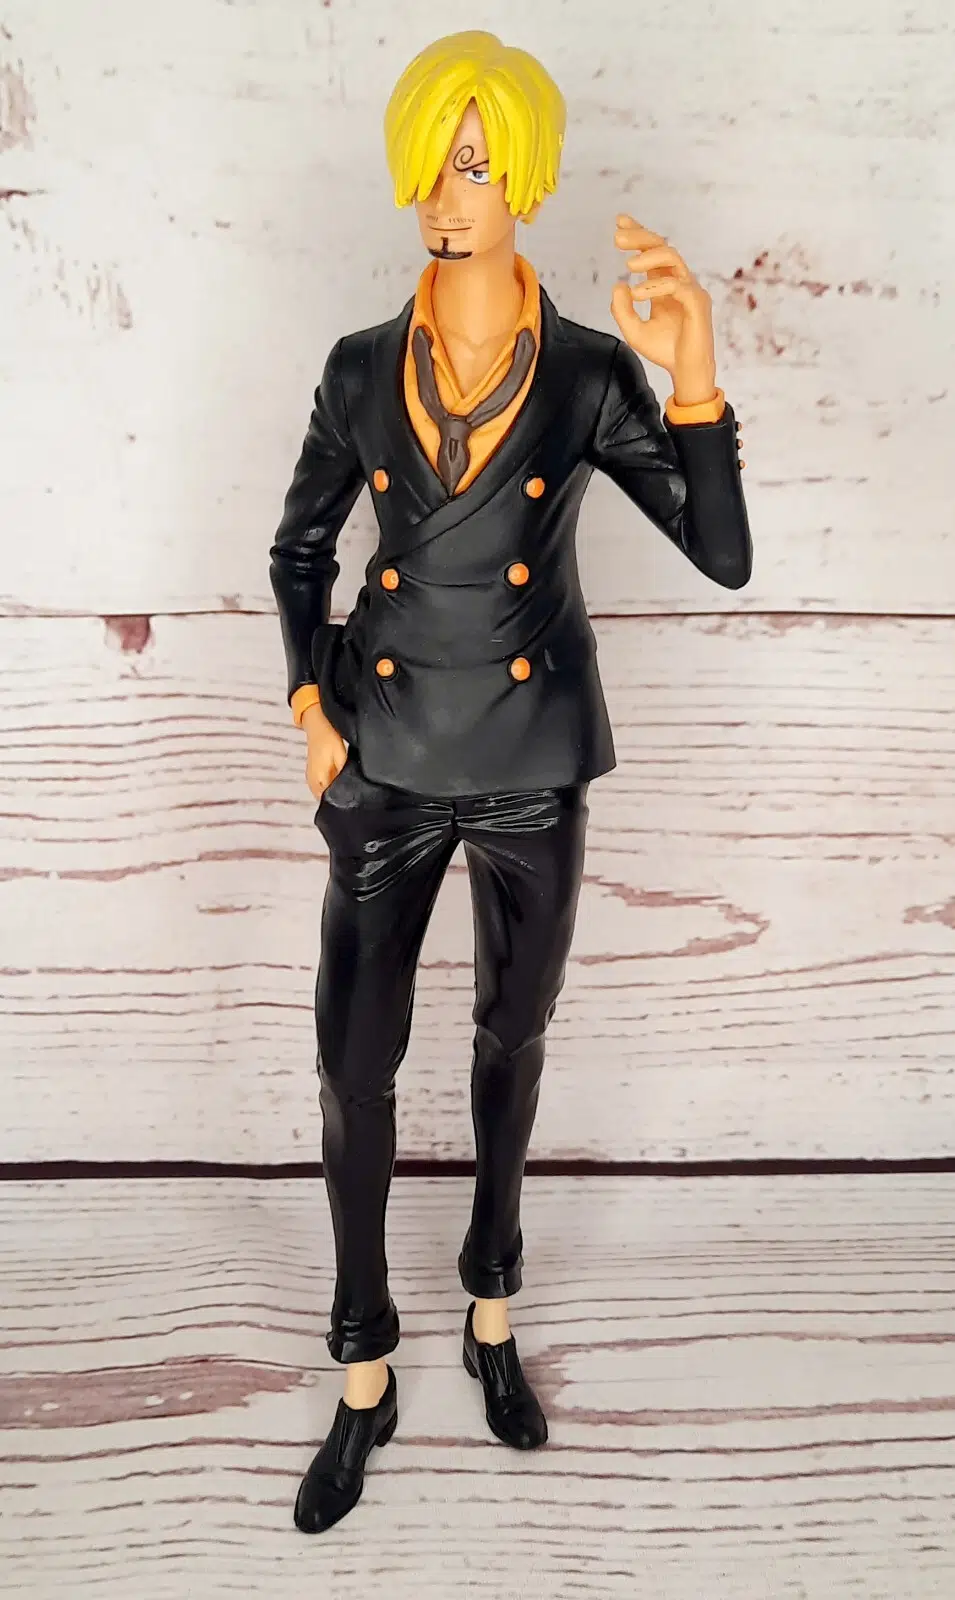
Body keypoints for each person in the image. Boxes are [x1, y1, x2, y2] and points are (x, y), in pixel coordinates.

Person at [269, 29, 752, 1534]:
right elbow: (299, 550)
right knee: (353, 1064)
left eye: (475, 165)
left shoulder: (588, 373)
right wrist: (311, 703)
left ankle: (490, 1308)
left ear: (525, 179)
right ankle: (363, 1366)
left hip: (533, 761)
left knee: (509, 1039)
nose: (447, 194)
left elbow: (721, 554)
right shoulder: (361, 368)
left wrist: (693, 369)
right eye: (432, 165)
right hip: (383, 755)